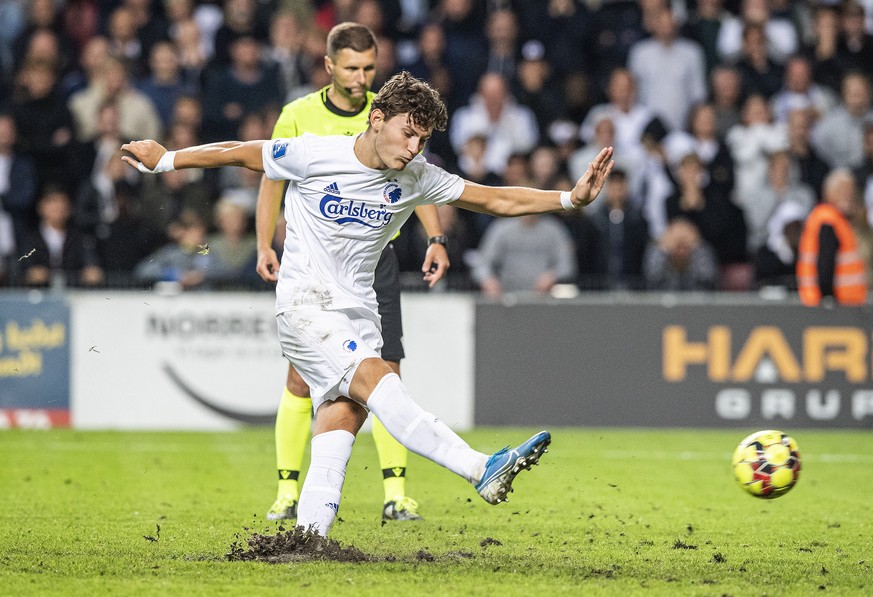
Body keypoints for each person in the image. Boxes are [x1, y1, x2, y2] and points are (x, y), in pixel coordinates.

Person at [121, 70, 615, 537]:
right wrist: (167, 159)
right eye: (407, 133)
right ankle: (479, 468)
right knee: (382, 382)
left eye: (422, 139)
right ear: (377, 119)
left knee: (341, 418)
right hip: (305, 308)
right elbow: (241, 152)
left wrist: (569, 200)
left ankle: (309, 536)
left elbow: (495, 199)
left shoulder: (417, 176)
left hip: (360, 312)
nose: (414, 147)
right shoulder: (316, 153)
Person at [253, 23, 451, 524]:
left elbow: (418, 184)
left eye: (368, 68)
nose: (361, 77)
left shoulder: (393, 116)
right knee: (303, 379)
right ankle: (287, 491)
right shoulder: (298, 115)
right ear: (330, 66)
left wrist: (436, 237)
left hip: (373, 260)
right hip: (315, 264)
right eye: (351, 68)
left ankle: (396, 493)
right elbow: (270, 175)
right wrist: (263, 242)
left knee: (387, 370)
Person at [797, 169, 868, 306]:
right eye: (843, 191)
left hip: (842, 303)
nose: (848, 196)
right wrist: (828, 298)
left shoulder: (834, 219)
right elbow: (825, 262)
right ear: (829, 193)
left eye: (850, 191)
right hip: (834, 305)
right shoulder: (828, 220)